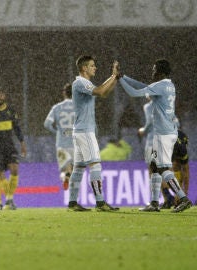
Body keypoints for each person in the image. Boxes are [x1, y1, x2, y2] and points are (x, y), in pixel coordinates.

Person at [118, 58, 192, 212]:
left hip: (164, 133)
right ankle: (154, 203)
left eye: (154, 69)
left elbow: (134, 92)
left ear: (160, 71)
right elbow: (145, 87)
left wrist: (120, 81)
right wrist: (124, 77)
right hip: (167, 131)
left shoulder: (160, 86)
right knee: (154, 165)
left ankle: (183, 198)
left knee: (164, 168)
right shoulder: (168, 85)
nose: (152, 72)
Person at [68, 55, 120, 212]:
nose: (95, 67)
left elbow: (103, 93)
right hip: (85, 131)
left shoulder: (85, 83)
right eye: (92, 65)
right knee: (95, 165)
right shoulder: (80, 82)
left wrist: (114, 78)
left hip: (80, 131)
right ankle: (100, 203)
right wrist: (113, 76)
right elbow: (101, 91)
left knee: (78, 168)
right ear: (84, 68)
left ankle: (72, 203)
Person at [44, 83, 74, 190]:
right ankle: (68, 179)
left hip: (62, 143)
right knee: (73, 170)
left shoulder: (57, 107)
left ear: (64, 93)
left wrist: (56, 131)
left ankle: (64, 177)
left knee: (65, 170)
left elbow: (47, 124)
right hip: (76, 144)